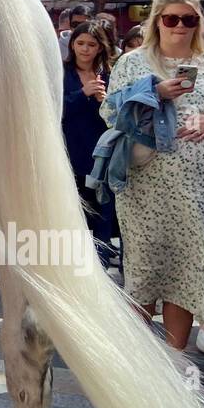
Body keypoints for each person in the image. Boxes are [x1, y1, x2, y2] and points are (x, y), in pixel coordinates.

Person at [103, 0, 204, 350]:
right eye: (171, 19)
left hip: (201, 194)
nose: (180, 26)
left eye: (188, 19)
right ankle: (139, 364)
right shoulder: (133, 62)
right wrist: (155, 94)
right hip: (145, 190)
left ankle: (175, 361)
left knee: (185, 276)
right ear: (157, 22)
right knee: (144, 274)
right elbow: (109, 114)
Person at [62, 21, 118, 265]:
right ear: (72, 45)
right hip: (72, 149)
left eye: (91, 44)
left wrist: (104, 101)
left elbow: (119, 115)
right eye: (80, 43)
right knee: (76, 207)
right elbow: (56, 108)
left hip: (103, 151)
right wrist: (82, 93)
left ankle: (102, 258)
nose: (85, 49)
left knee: (104, 206)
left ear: (100, 48)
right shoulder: (61, 72)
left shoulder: (108, 74)